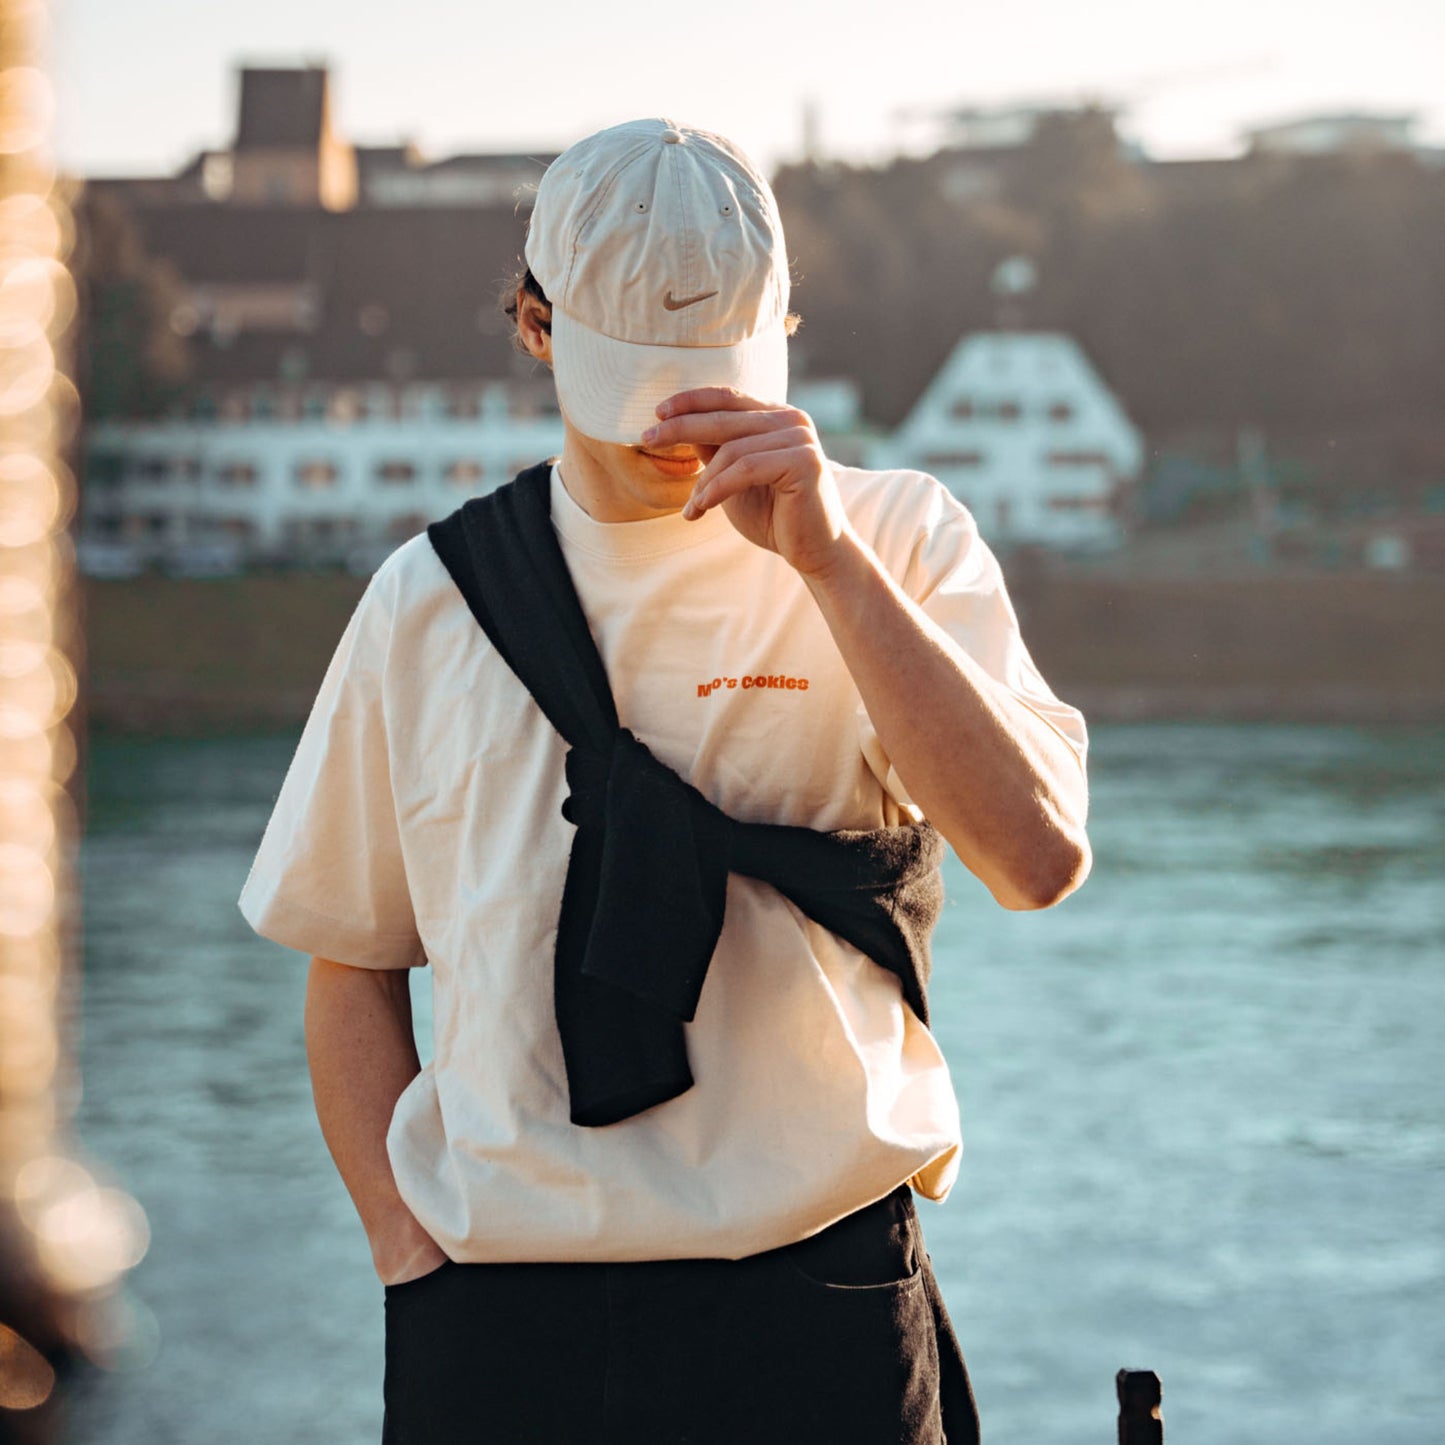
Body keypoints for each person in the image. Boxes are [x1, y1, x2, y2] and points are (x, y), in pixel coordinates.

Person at [239, 117, 1091, 1444]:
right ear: (533, 327)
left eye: (717, 372)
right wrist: (406, 1258)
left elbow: (1032, 860)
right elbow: (349, 955)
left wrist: (826, 563)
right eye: (636, 377)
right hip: (500, 1322)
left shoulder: (899, 541)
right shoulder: (430, 599)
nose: (677, 423)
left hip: (814, 1291)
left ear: (786, 329)